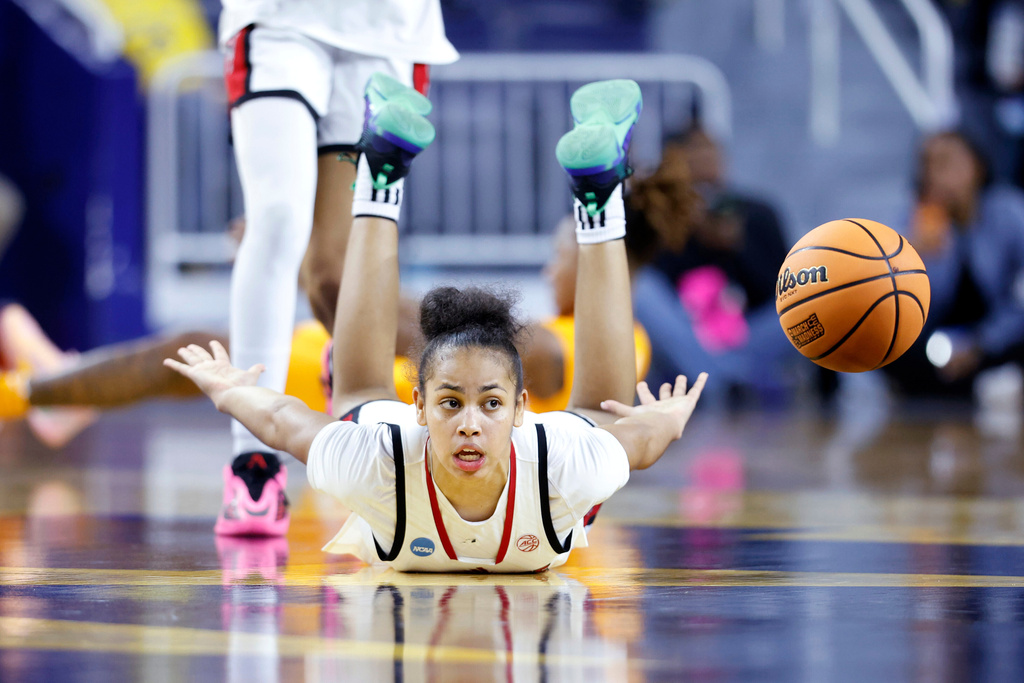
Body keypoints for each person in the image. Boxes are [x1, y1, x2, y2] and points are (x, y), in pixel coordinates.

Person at [165, 76, 707, 570]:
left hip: (509, 474)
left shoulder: (549, 462)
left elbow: (285, 421)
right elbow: (638, 442)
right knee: (602, 413)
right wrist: (666, 423)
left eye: (490, 404)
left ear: (522, 410)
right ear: (418, 406)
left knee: (356, 391)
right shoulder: (389, 455)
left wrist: (236, 395)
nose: (470, 424)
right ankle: (601, 196)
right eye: (451, 402)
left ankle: (382, 174)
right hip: (489, 482)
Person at [218, 0, 457, 535]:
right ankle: (253, 461)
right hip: (278, 19)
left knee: (333, 273)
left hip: (391, 28)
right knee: (276, 219)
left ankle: (347, 376)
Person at [630, 126, 796, 404]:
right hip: (688, 338)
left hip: (747, 338)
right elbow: (661, 296)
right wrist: (690, 236)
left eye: (711, 154)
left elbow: (777, 290)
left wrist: (739, 249)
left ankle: (716, 381)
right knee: (641, 288)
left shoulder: (759, 212)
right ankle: (731, 381)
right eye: (694, 156)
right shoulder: (661, 217)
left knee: (807, 299)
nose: (705, 164)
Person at [883, 129, 1024, 396]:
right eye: (926, 164)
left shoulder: (1008, 211)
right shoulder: (913, 222)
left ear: (977, 166)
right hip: (935, 350)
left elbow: (1017, 303)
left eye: (945, 162)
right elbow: (917, 313)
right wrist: (914, 254)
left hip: (996, 340)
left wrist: (982, 342)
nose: (933, 174)